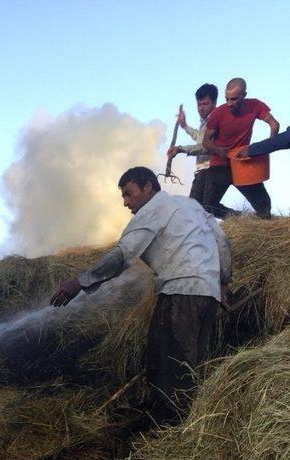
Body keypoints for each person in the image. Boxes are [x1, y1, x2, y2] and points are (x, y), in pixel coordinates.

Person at [50, 167, 232, 425]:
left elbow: (123, 255)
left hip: (180, 294)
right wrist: (223, 284)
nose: (125, 202)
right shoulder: (190, 205)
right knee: (186, 362)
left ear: (148, 188)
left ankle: (164, 428)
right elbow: (223, 242)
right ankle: (172, 420)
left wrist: (80, 282)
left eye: (129, 194)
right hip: (208, 295)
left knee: (169, 363)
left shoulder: (152, 211)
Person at [202, 77, 279, 218]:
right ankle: (240, 219)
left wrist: (268, 146)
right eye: (227, 99)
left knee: (264, 207)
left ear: (244, 95)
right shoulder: (219, 113)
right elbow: (206, 141)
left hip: (242, 163)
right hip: (220, 165)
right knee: (208, 206)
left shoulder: (255, 105)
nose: (229, 103)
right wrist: (219, 150)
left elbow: (274, 124)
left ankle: (259, 223)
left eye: (234, 99)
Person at [168, 83, 235, 218]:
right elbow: (199, 137)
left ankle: (239, 218)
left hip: (212, 169)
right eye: (199, 104)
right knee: (195, 209)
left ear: (214, 103)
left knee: (206, 208)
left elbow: (205, 147)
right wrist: (185, 126)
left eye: (205, 104)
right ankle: (239, 218)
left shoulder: (215, 120)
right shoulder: (205, 121)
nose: (201, 108)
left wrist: (181, 149)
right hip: (202, 170)